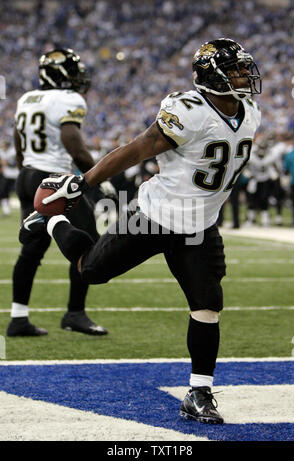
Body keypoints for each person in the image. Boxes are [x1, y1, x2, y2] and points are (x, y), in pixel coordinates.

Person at [20, 39, 261, 423]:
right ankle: (51, 219)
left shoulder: (250, 112)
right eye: (236, 70)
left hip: (199, 227)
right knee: (90, 270)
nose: (245, 76)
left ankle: (198, 394)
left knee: (207, 306)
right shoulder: (189, 110)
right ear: (212, 74)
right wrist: (85, 181)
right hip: (154, 216)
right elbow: (139, 148)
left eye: (245, 69)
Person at [6, 48, 108, 337]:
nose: (78, 78)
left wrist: (26, 169)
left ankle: (18, 318)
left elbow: (17, 138)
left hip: (27, 175)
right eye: (73, 71)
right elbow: (73, 145)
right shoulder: (69, 99)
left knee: (32, 250)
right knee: (89, 244)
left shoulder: (28, 98)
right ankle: (75, 313)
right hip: (53, 179)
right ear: (61, 73)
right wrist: (99, 176)